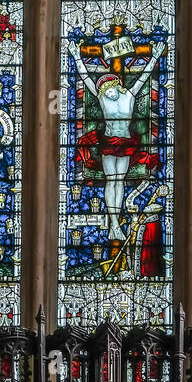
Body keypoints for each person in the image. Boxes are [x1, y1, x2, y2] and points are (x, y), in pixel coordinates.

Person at [69, 39, 166, 241]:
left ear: (116, 84)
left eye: (109, 88)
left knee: (118, 181)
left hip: (126, 143)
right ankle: (113, 223)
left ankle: (116, 222)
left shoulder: (129, 96)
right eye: (104, 91)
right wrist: (77, 56)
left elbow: (143, 77)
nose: (107, 92)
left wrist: (155, 57)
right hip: (108, 142)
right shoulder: (103, 99)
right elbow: (86, 78)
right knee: (110, 181)